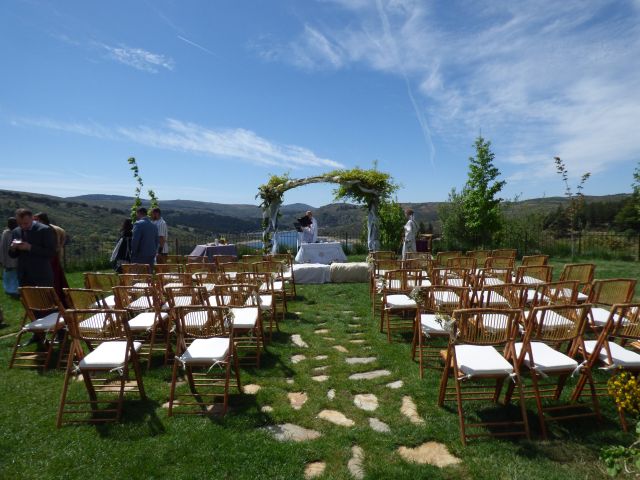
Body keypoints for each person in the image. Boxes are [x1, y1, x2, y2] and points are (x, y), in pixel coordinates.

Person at [9, 208, 56, 287]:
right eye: (19, 224)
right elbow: (12, 255)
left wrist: (30, 248)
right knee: (27, 299)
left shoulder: (44, 230)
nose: (23, 226)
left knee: (43, 299)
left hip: (41, 276)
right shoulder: (16, 231)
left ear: (32, 218)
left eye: (26, 223)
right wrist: (13, 248)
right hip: (23, 276)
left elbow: (51, 252)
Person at [33, 212, 69, 305]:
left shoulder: (47, 230)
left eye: (36, 219)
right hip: (52, 258)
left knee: (54, 281)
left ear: (41, 220)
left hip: (50, 259)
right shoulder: (51, 228)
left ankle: (55, 301)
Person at [0, 217, 19, 297]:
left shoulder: (9, 233)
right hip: (9, 258)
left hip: (12, 258)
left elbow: (2, 247)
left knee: (12, 275)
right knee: (11, 275)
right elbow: (2, 247)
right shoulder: (6, 233)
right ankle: (11, 290)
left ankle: (13, 290)